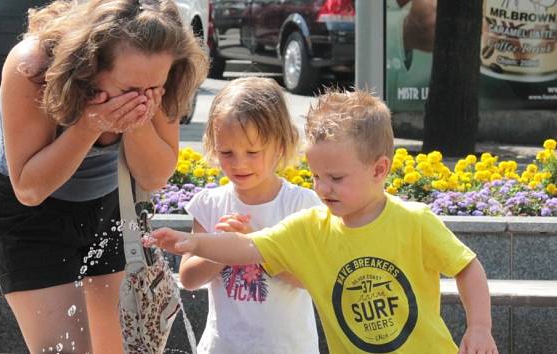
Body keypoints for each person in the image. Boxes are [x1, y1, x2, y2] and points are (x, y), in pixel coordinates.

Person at [145, 89, 499, 354]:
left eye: (336, 178)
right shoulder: (311, 225)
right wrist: (191, 242)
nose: (322, 188)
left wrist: (480, 326)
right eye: (316, 176)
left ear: (379, 170)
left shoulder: (415, 220)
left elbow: (467, 266)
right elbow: (248, 247)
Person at [0, 0, 208, 353]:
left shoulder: (162, 75)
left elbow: (154, 176)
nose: (142, 98)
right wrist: (90, 125)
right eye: (129, 89)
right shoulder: (33, 67)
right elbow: (28, 187)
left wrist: (138, 121)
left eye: (152, 89)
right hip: (31, 216)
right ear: (88, 68)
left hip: (108, 205)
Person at [180, 77, 321, 354]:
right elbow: (188, 278)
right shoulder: (209, 205)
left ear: (280, 145)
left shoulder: (300, 203)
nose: (239, 163)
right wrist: (221, 246)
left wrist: (253, 246)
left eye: (253, 152)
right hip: (223, 347)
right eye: (227, 152)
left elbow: (311, 278)